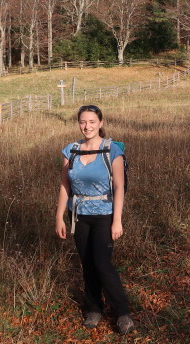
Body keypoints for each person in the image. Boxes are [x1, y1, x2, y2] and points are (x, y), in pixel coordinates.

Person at [55, 104, 134, 334]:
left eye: (91, 121)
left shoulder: (112, 151)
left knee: (102, 263)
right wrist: (59, 216)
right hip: (78, 215)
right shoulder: (71, 150)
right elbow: (64, 186)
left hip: (105, 214)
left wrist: (117, 220)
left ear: (100, 123)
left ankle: (122, 312)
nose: (86, 126)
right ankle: (94, 308)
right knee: (87, 263)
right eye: (82, 121)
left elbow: (119, 187)